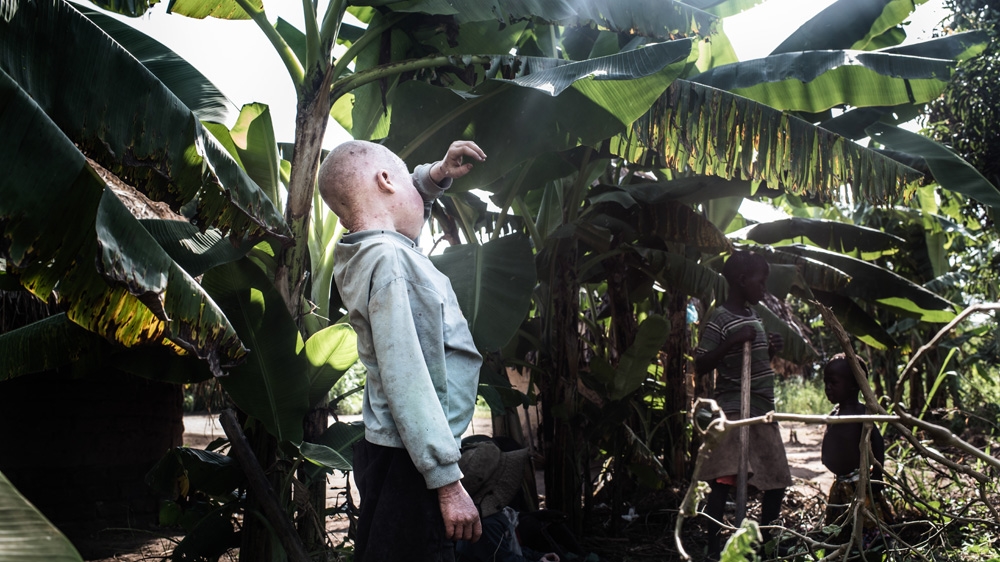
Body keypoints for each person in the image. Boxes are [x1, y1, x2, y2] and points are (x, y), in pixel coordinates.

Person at [319, 139, 488, 562]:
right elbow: (408, 377)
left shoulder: (369, 251)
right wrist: (446, 482)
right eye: (410, 181)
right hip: (411, 463)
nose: (421, 191)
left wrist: (434, 177)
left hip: (396, 452)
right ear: (385, 181)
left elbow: (400, 211)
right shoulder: (392, 263)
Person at [694, 250, 791, 560]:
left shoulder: (753, 316)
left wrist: (770, 350)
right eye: (760, 282)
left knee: (776, 478)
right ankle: (713, 547)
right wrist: (732, 341)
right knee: (723, 479)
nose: (764, 289)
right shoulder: (720, 317)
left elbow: (755, 362)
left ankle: (766, 543)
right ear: (741, 280)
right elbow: (700, 364)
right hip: (734, 411)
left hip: (762, 411)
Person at [821, 354, 894, 547]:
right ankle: (844, 546)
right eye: (826, 382)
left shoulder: (861, 414)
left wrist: (877, 473)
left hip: (858, 484)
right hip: (840, 483)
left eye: (833, 382)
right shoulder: (834, 413)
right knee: (839, 523)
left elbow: (877, 443)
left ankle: (871, 547)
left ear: (854, 385)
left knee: (867, 522)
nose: (828, 387)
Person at [455, 439, 560, 562]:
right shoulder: (488, 524)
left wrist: (537, 556)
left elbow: (507, 549)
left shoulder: (496, 515)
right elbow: (503, 558)